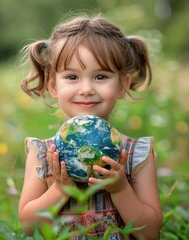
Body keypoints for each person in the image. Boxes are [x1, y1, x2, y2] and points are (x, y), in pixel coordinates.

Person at [18, 14, 162, 240]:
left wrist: (120, 189)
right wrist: (60, 189)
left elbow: (150, 233)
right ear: (54, 85)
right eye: (72, 76)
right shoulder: (43, 154)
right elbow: (29, 227)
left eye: (101, 76)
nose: (86, 89)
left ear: (123, 85)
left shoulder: (137, 154)